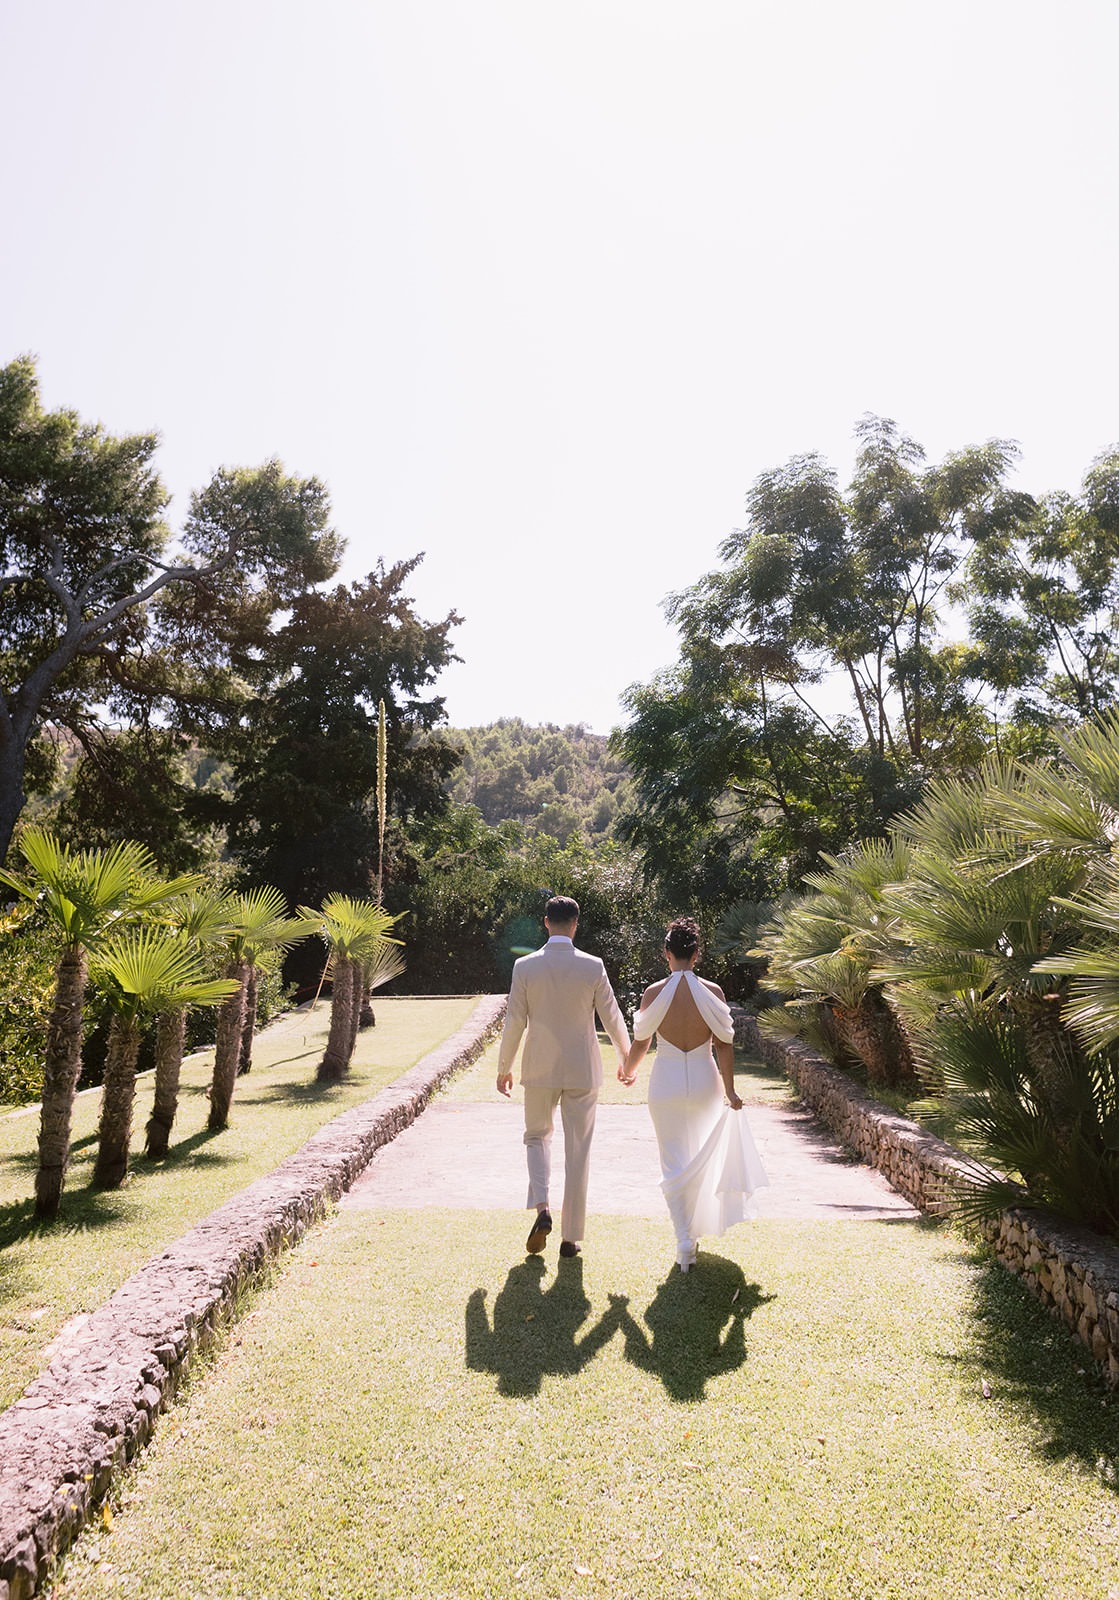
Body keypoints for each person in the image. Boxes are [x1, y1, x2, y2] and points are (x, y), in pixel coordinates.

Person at [620, 916, 768, 1272]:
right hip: (704, 1080)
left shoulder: (653, 993)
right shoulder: (713, 993)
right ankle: (691, 1233)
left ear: (666, 954)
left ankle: (684, 1239)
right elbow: (724, 1044)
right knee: (701, 1156)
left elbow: (641, 1042)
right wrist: (730, 1090)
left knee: (673, 1161)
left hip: (666, 1082)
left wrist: (628, 1070)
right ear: (697, 955)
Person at [497, 895, 630, 1259]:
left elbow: (514, 1020)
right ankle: (570, 1238)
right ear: (575, 924)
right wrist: (626, 1059)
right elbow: (612, 1015)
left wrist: (504, 1067)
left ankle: (543, 1208)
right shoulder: (593, 966)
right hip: (582, 1069)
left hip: (539, 1067)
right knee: (578, 1150)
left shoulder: (525, 966)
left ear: (546, 923)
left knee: (536, 1137)